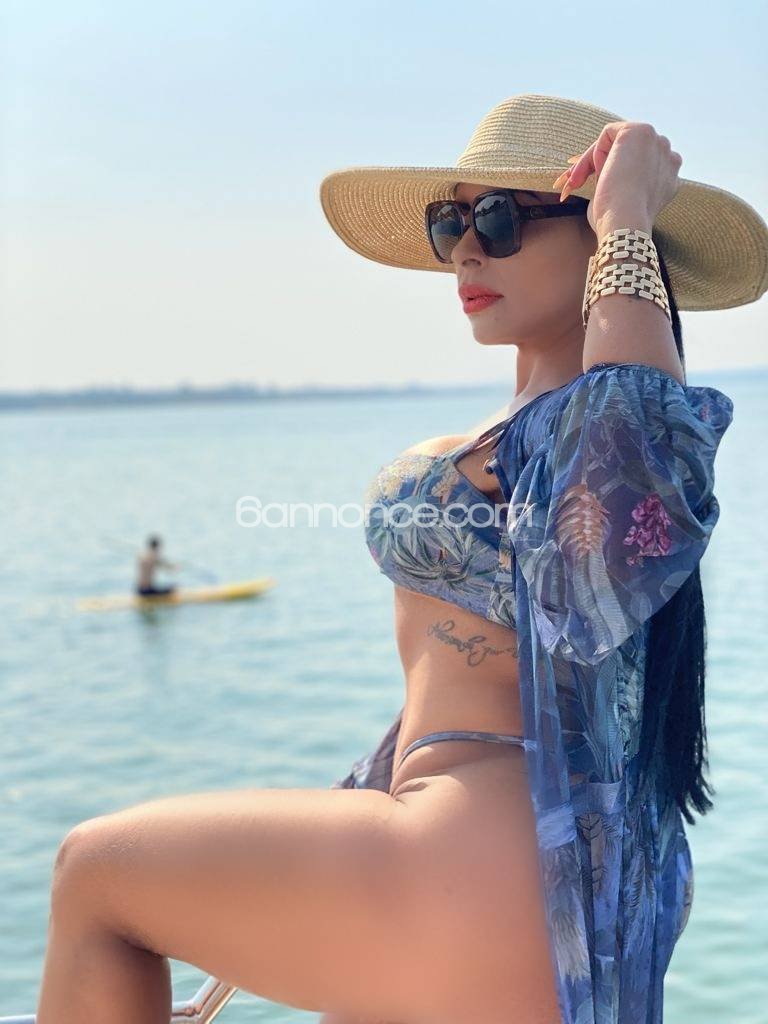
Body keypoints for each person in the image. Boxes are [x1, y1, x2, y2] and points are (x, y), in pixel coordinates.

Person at [34, 94, 766, 1024]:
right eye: (449, 224)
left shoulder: (611, 427)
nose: (465, 252)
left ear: (597, 236)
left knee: (93, 875)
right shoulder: (524, 428)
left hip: (486, 857)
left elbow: (615, 539)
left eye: (497, 218)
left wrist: (625, 218)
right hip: (469, 861)